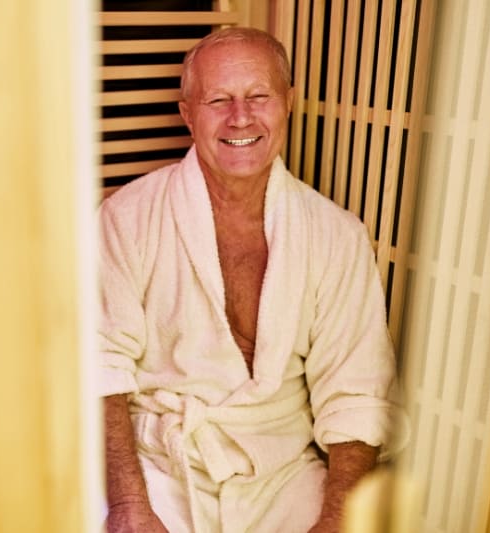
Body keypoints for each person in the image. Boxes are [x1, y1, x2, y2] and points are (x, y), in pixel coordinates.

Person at [98, 27, 404, 533]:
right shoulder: (127, 218)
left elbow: (357, 392)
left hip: (281, 473)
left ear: (287, 103)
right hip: (159, 467)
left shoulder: (336, 235)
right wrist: (130, 503)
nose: (241, 117)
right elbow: (99, 363)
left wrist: (337, 517)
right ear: (187, 113)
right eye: (219, 99)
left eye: (258, 96)